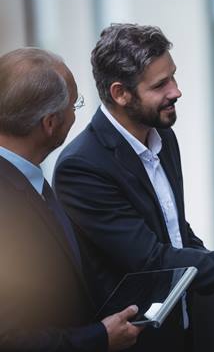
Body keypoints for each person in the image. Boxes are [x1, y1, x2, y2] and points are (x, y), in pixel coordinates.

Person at [53, 24, 214, 351]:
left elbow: (176, 232)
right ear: (121, 93)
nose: (176, 91)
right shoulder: (82, 167)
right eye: (161, 84)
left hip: (185, 330)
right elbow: (152, 260)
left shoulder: (162, 135)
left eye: (173, 76)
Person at [0, 47, 142, 351]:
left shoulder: (25, 178)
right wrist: (99, 338)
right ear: (50, 123)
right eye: (74, 104)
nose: (76, 114)